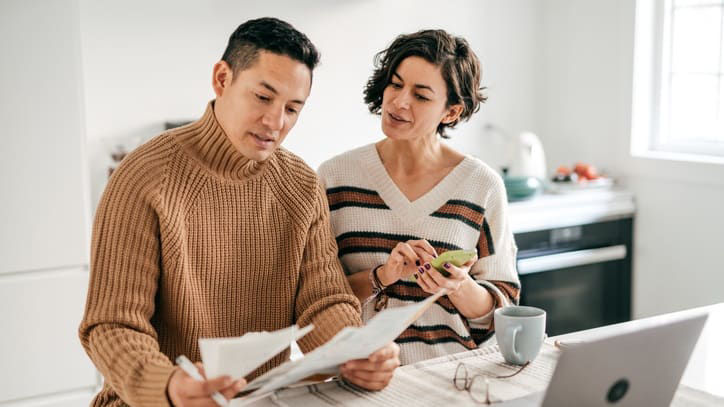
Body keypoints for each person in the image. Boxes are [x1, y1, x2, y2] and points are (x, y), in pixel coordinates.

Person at [79, 17, 400, 407]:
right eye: (263, 98)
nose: (275, 123)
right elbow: (111, 325)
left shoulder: (301, 183)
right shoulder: (145, 177)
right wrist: (169, 386)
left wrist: (354, 350)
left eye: (293, 109)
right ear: (222, 78)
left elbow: (325, 300)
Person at [318, 29, 521, 365]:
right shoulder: (335, 177)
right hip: (360, 373)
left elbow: (502, 309)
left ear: (451, 112)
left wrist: (457, 286)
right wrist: (384, 276)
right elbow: (318, 298)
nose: (399, 102)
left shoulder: (482, 185)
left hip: (453, 375)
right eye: (395, 84)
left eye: (421, 96)